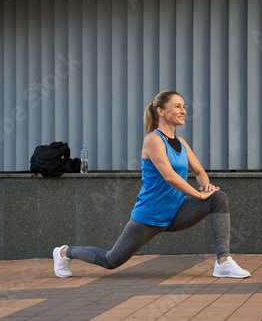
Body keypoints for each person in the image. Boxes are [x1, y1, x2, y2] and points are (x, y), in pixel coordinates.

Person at [53, 90, 250, 279]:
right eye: (177, 106)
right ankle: (64, 252)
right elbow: (170, 177)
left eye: (184, 106)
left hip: (177, 213)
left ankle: (223, 263)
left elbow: (199, 172)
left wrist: (206, 187)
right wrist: (198, 195)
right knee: (110, 260)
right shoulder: (153, 140)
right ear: (161, 111)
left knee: (217, 197)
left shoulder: (180, 142)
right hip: (150, 216)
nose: (184, 111)